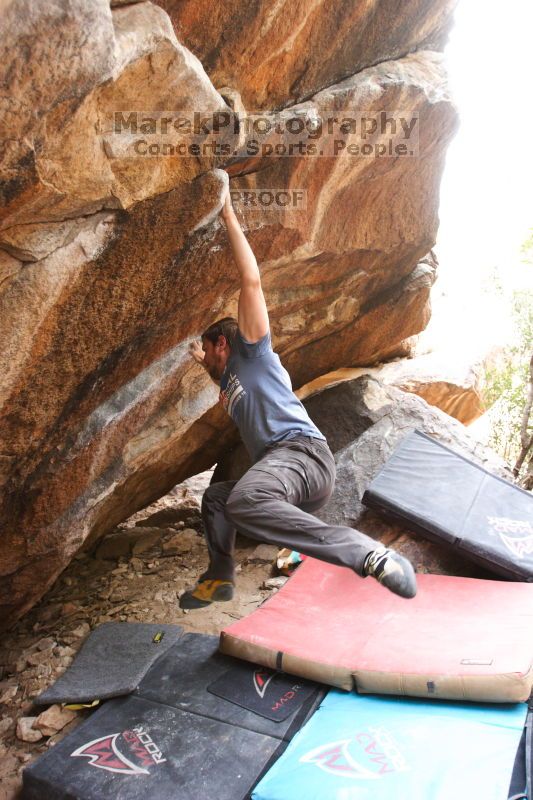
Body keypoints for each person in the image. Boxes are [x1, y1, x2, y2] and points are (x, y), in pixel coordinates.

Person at [179, 183, 417, 609]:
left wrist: (229, 214)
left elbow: (251, 281)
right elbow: (224, 378)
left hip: (302, 456)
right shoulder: (233, 379)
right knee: (217, 498)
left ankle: (370, 554)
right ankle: (220, 577)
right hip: (287, 471)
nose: (207, 359)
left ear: (223, 344)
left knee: (246, 499)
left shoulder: (252, 352)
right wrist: (201, 360)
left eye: (208, 348)